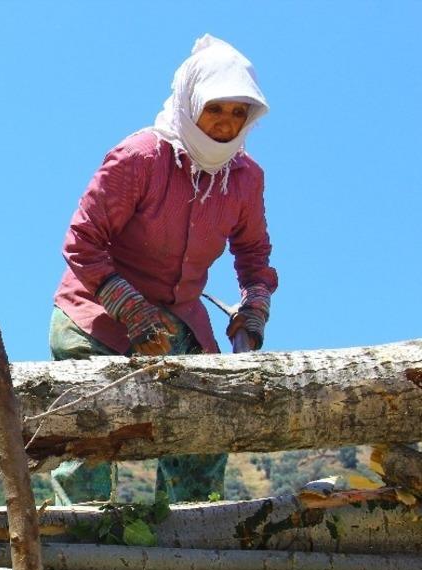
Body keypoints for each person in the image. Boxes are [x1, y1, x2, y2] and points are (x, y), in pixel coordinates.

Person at [49, 35, 278, 504]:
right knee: (95, 430)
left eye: (239, 113)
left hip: (178, 318)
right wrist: (130, 309)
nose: (225, 124)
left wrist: (255, 307)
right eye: (216, 108)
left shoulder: (246, 177)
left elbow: (253, 254)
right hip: (95, 315)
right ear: (191, 100)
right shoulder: (139, 157)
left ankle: (187, 549)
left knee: (204, 427)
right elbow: (83, 242)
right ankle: (78, 552)